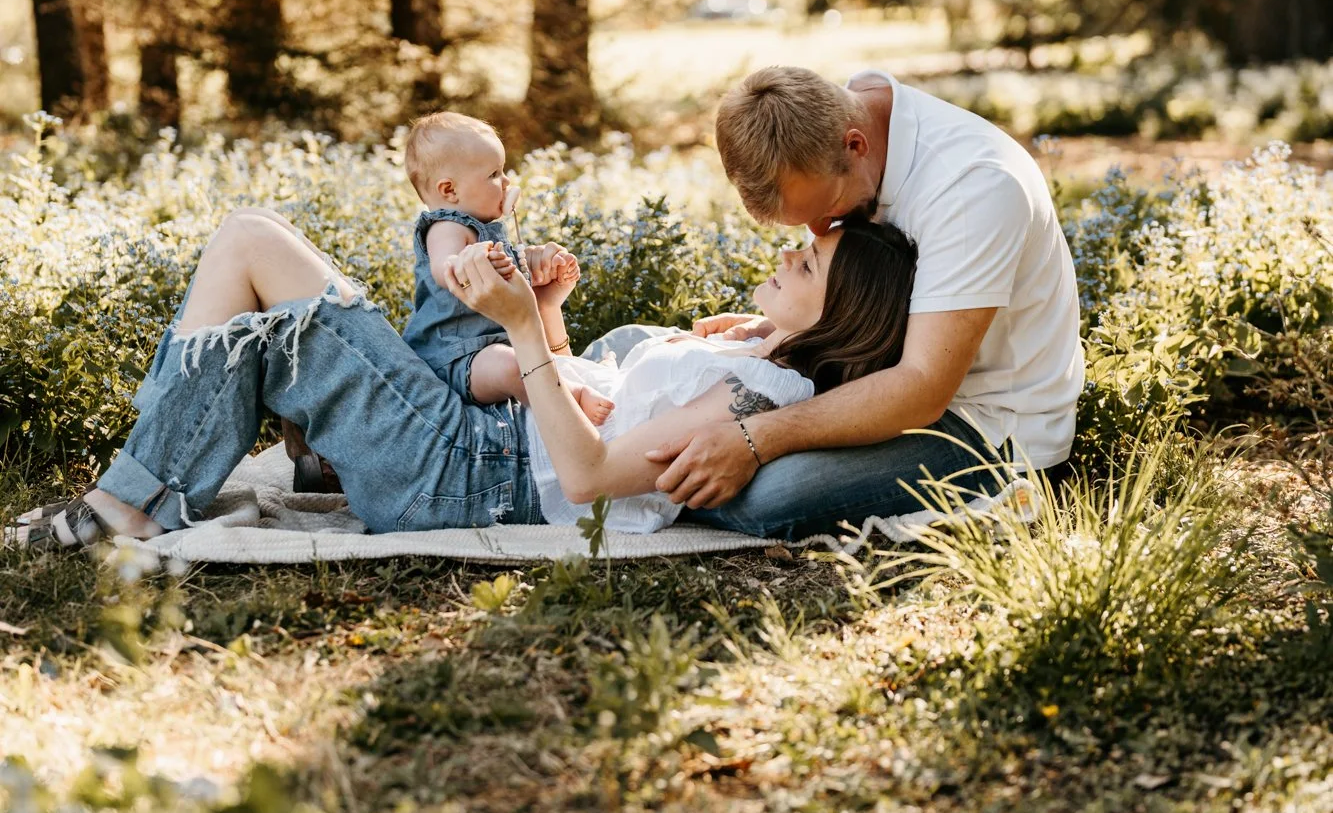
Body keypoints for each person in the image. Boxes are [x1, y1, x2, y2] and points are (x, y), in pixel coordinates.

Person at [9, 203, 916, 551]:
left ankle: (131, 501)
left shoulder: (769, 397)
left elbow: (592, 480)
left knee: (250, 247)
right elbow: (578, 406)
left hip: (468, 480)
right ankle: (147, 488)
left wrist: (520, 328)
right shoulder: (751, 354)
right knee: (257, 287)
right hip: (476, 450)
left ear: (840, 316)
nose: (788, 255)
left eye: (807, 265)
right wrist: (549, 313)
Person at [642, 65, 1084, 542]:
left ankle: (621, 486)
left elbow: (923, 387)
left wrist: (754, 440)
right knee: (661, 355)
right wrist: (784, 333)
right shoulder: (833, 117)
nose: (817, 233)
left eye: (825, 211)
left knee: (775, 491)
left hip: (988, 429)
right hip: (890, 379)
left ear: (855, 146)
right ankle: (617, 463)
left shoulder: (972, 188)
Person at [400, 109, 613, 427]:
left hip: (491, 348)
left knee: (522, 362)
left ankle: (567, 384)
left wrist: (536, 273)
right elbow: (442, 266)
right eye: (494, 174)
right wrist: (464, 265)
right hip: (455, 357)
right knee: (512, 367)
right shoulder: (446, 226)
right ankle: (572, 397)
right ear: (450, 191)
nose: (506, 182)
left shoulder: (487, 228)